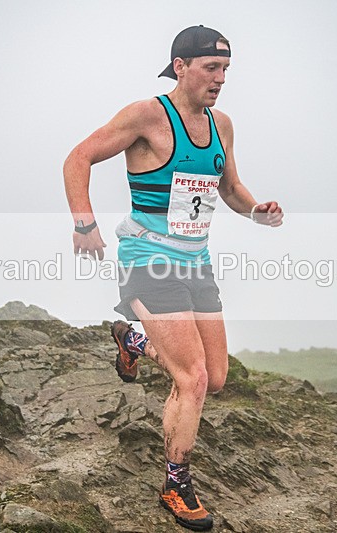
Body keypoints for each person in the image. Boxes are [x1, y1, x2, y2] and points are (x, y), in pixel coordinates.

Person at [63, 25, 283, 531]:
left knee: (219, 376)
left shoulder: (221, 124)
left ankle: (134, 339)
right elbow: (79, 157)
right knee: (194, 379)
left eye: (226, 69)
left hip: (195, 262)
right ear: (180, 67)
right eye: (212, 68)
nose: (221, 78)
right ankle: (175, 484)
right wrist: (84, 223)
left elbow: (229, 188)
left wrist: (257, 212)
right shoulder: (146, 116)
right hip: (147, 259)